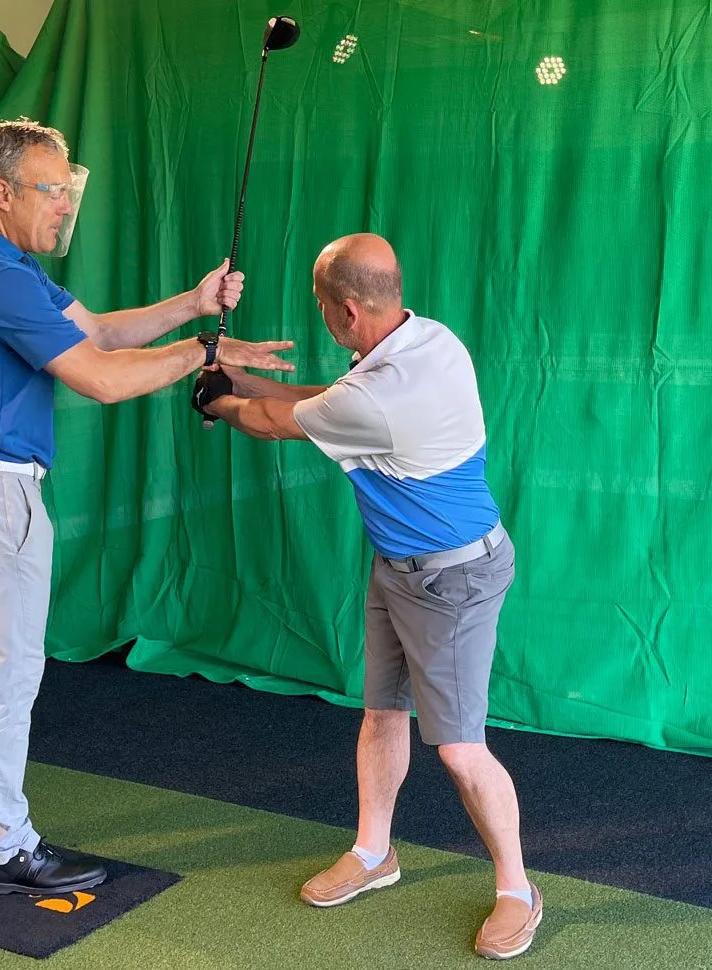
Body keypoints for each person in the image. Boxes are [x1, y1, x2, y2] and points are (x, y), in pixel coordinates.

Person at [0, 118, 294, 896]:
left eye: (70, 189)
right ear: (2, 192)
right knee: (8, 675)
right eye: (53, 190)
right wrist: (204, 352)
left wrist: (194, 305)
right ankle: (2, 850)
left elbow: (95, 332)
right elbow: (100, 378)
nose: (66, 205)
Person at [196, 233, 538, 960]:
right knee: (382, 715)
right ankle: (374, 852)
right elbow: (326, 402)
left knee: (460, 750)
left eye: (322, 306)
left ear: (347, 310)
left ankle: (518, 889)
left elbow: (276, 424)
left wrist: (220, 401)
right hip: (400, 568)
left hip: (452, 580)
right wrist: (232, 376)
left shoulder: (380, 395)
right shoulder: (427, 339)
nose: (322, 316)